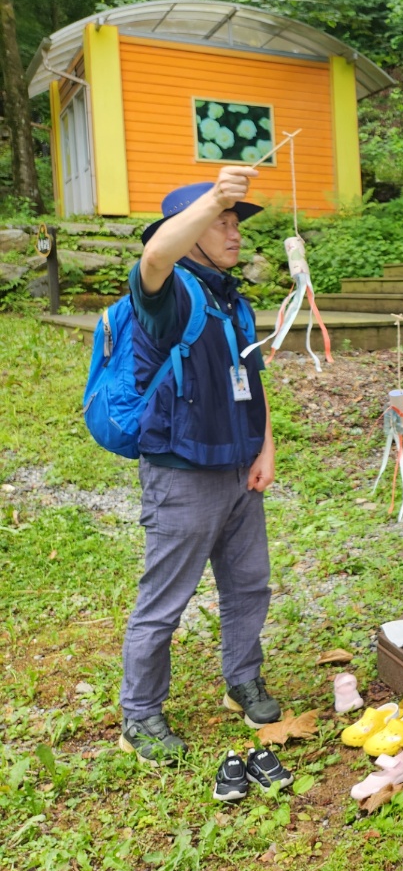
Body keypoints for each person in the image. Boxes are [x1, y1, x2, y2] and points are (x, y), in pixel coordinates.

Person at [121, 169, 280, 763]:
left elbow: (253, 381)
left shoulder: (232, 300)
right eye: (222, 223)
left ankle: (242, 680)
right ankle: (139, 714)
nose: (234, 233)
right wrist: (214, 196)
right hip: (182, 472)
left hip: (241, 469)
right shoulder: (167, 294)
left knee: (249, 584)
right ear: (188, 233)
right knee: (165, 600)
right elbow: (153, 257)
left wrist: (265, 448)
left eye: (237, 223)